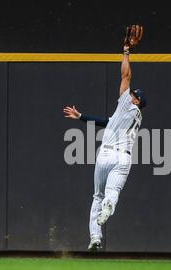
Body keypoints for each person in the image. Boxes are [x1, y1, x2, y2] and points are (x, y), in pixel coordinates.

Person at [63, 25, 146, 251]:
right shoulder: (130, 115)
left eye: (133, 94)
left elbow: (125, 74)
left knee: (97, 196)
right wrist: (82, 117)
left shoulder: (127, 103)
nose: (130, 93)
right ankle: (109, 207)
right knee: (112, 193)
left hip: (107, 154)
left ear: (136, 100)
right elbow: (106, 121)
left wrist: (126, 51)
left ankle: (95, 237)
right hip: (124, 159)